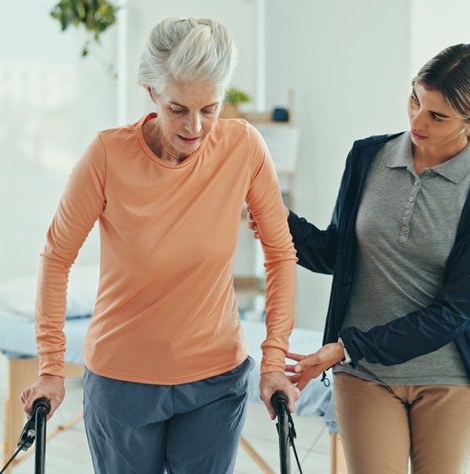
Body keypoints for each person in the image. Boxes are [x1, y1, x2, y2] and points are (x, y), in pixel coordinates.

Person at [19, 17, 299, 473]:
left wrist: (273, 360)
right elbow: (56, 258)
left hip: (216, 380)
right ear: (151, 91)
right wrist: (50, 368)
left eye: (210, 108)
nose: (195, 126)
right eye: (178, 109)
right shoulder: (107, 155)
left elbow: (281, 254)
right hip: (122, 382)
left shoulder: (244, 146)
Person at [249, 43, 470, 473]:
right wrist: (276, 218)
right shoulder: (367, 158)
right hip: (365, 373)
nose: (417, 121)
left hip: (448, 378)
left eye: (437, 116)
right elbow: (337, 254)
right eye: (415, 100)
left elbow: (455, 312)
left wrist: (346, 347)